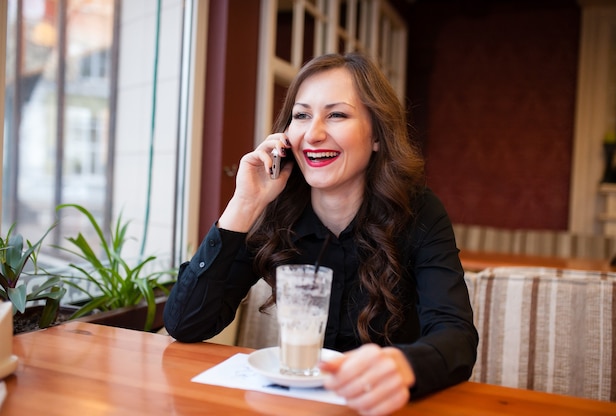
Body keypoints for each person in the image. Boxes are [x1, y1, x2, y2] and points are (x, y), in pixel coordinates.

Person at [164, 52, 478, 415]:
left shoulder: (419, 210)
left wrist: (404, 366)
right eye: (301, 115)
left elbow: (456, 337)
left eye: (337, 114)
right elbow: (185, 324)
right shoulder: (274, 208)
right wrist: (243, 204)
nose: (313, 134)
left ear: (377, 135)